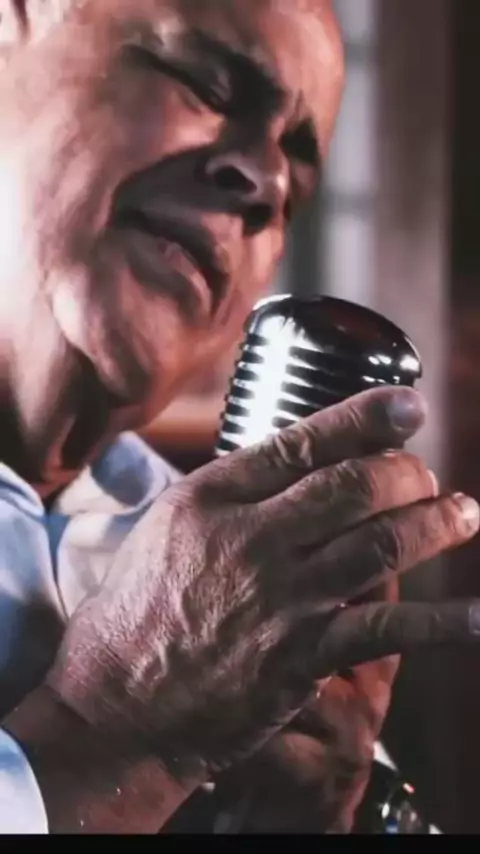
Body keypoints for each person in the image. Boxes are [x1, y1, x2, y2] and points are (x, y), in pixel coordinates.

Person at [0, 0, 479, 835]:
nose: (266, 185)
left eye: (300, 183)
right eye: (206, 83)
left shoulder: (235, 580)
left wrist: (308, 817)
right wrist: (114, 737)